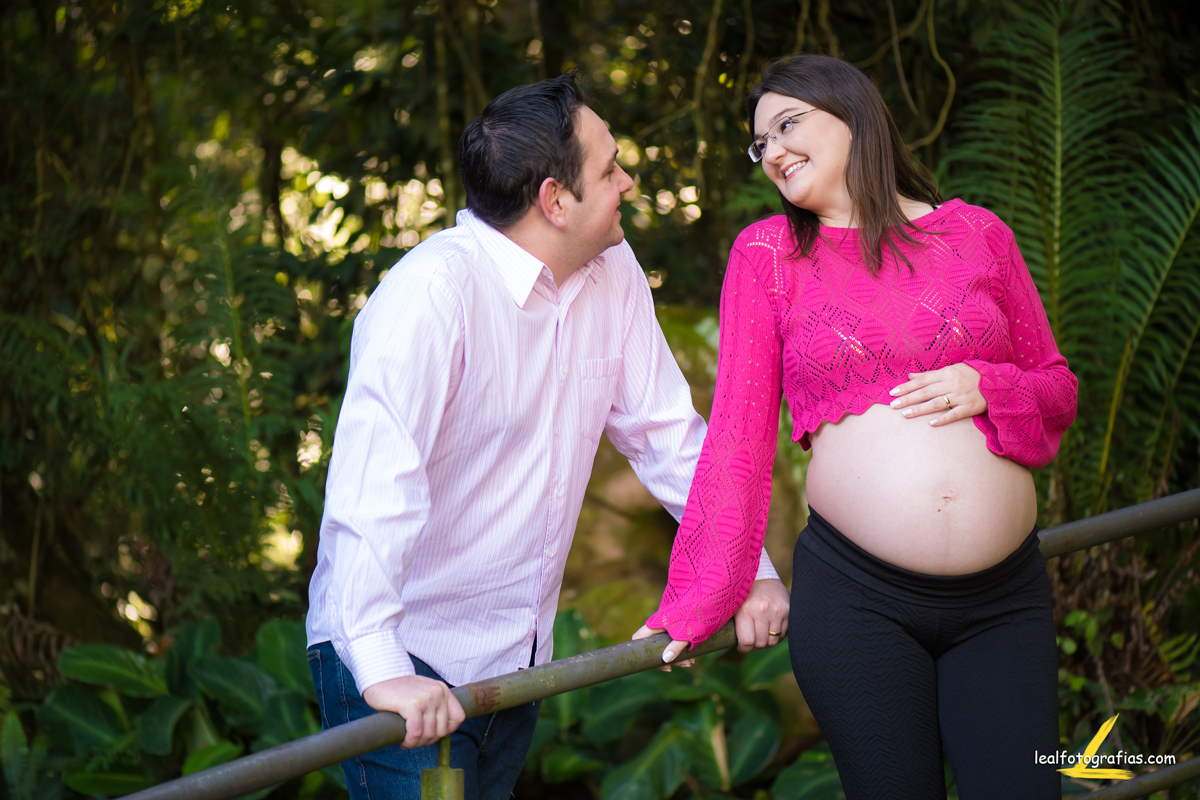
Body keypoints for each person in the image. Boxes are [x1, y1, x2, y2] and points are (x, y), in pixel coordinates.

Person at [304, 72, 789, 800]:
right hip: (403, 655)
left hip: (517, 661)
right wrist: (382, 668)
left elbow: (666, 437)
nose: (628, 180)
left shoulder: (614, 270)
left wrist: (746, 571)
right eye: (610, 167)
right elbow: (377, 487)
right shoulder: (430, 295)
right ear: (555, 201)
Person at [639, 55, 1078, 800]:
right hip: (858, 601)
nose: (772, 151)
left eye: (787, 124)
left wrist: (988, 383)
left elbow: (1056, 387)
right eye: (759, 143)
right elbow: (739, 434)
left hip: (1004, 601)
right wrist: (712, 589)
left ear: (853, 115)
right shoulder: (769, 255)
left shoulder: (978, 235)